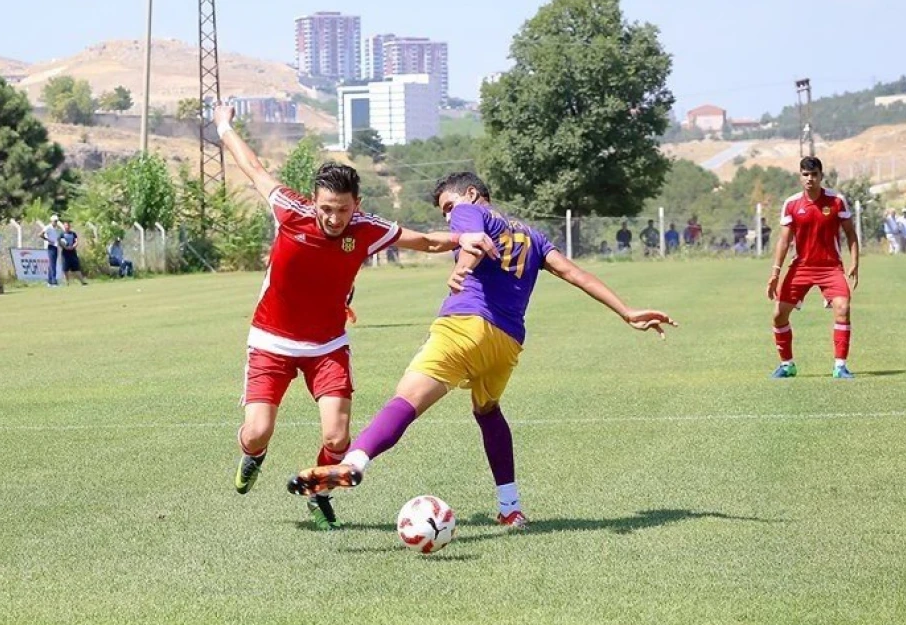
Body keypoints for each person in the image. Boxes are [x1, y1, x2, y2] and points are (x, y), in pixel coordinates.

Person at [287, 172, 677, 528]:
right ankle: (510, 508)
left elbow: (474, 239)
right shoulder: (533, 235)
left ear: (472, 193)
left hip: (466, 326)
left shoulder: (470, 209)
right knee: (488, 411)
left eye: (448, 207)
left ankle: (353, 464)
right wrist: (626, 311)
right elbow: (574, 272)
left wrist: (463, 266)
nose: (450, 218)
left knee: (405, 402)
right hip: (506, 344)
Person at [212, 104, 497, 531]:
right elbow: (252, 167)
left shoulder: (365, 228)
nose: (333, 218)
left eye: (342, 209)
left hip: (328, 345)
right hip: (271, 341)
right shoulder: (290, 211)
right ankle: (253, 456)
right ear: (314, 201)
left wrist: (463, 236)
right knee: (257, 432)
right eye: (326, 208)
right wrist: (223, 125)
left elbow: (424, 241)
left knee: (337, 439)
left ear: (356, 204)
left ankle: (319, 492)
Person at [767, 157, 860, 379]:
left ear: (821, 176)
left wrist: (855, 261)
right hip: (801, 267)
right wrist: (775, 272)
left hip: (830, 268)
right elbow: (784, 241)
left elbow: (850, 233)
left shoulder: (837, 201)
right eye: (806, 175)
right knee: (779, 315)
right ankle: (787, 365)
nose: (810, 179)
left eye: (814, 174)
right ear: (800, 177)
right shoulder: (792, 204)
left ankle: (840, 366)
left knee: (843, 308)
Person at [58, 221, 88, 286]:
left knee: (76, 268)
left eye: (68, 226)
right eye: (65, 226)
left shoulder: (73, 233)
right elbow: (60, 242)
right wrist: (66, 247)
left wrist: (73, 246)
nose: (67, 227)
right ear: (64, 226)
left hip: (73, 253)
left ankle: (82, 282)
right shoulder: (61, 234)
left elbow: (76, 241)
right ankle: (67, 283)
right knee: (65, 269)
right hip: (65, 254)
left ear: (69, 226)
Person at [41, 215, 62, 287]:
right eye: (55, 221)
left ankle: (49, 281)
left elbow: (57, 238)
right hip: (51, 246)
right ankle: (54, 281)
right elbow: (40, 234)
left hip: (55, 246)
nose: (56, 222)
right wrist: (48, 240)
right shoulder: (48, 227)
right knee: (53, 264)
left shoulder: (56, 228)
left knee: (52, 264)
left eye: (57, 221)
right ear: (51, 221)